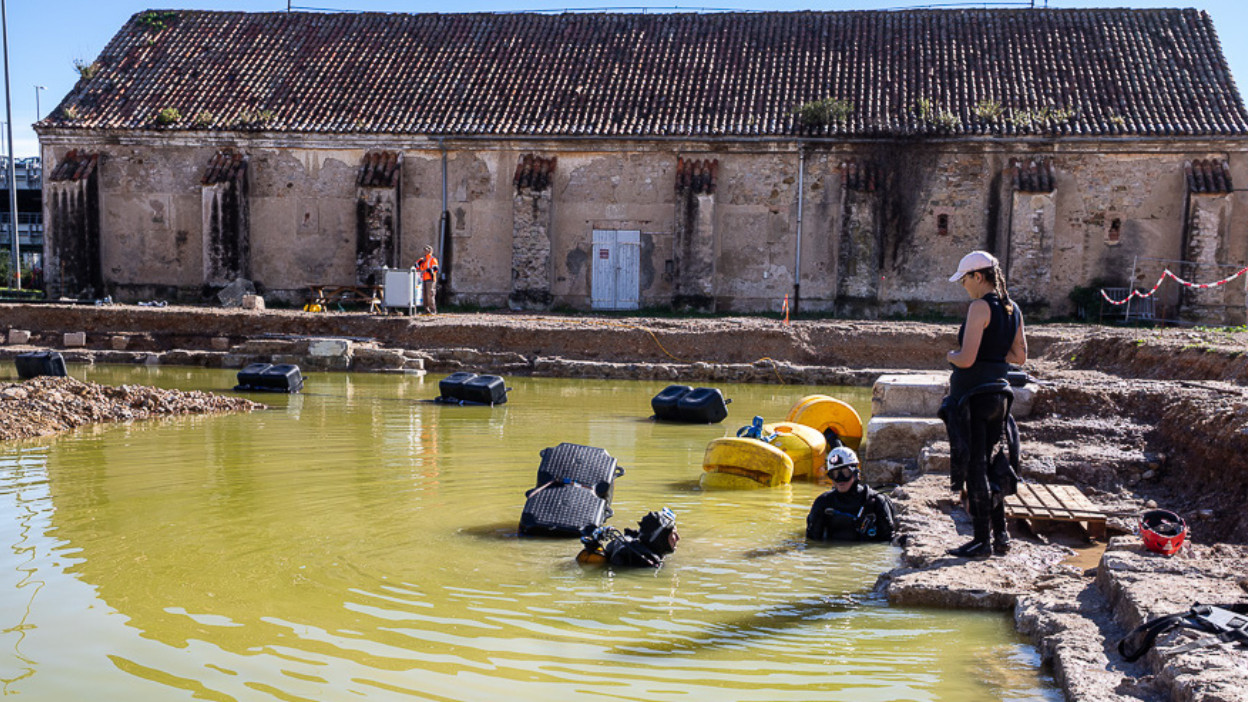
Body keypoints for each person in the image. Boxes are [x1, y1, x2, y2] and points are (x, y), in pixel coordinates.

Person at [942, 250, 1028, 558]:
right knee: (992, 463)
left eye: (964, 279)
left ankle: (981, 540)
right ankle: (1001, 535)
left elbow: (965, 359)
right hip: (999, 397)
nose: (963, 285)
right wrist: (992, 357)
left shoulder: (979, 306)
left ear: (979, 277)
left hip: (973, 397)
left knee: (975, 467)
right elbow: (1019, 356)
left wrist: (951, 355)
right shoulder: (1012, 308)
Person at [805, 447, 896, 542]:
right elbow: (811, 542)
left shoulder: (876, 502)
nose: (840, 479)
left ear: (855, 472)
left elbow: (888, 541)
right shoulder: (823, 503)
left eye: (845, 473)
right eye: (835, 474)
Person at [415, 245, 440, 314]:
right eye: (424, 250)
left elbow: (435, 269)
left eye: (426, 250)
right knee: (424, 296)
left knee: (430, 295)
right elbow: (416, 266)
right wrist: (419, 262)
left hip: (430, 279)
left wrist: (427, 270)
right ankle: (426, 310)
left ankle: (433, 310)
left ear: (430, 251)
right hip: (423, 279)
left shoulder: (433, 259)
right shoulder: (423, 259)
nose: (425, 251)